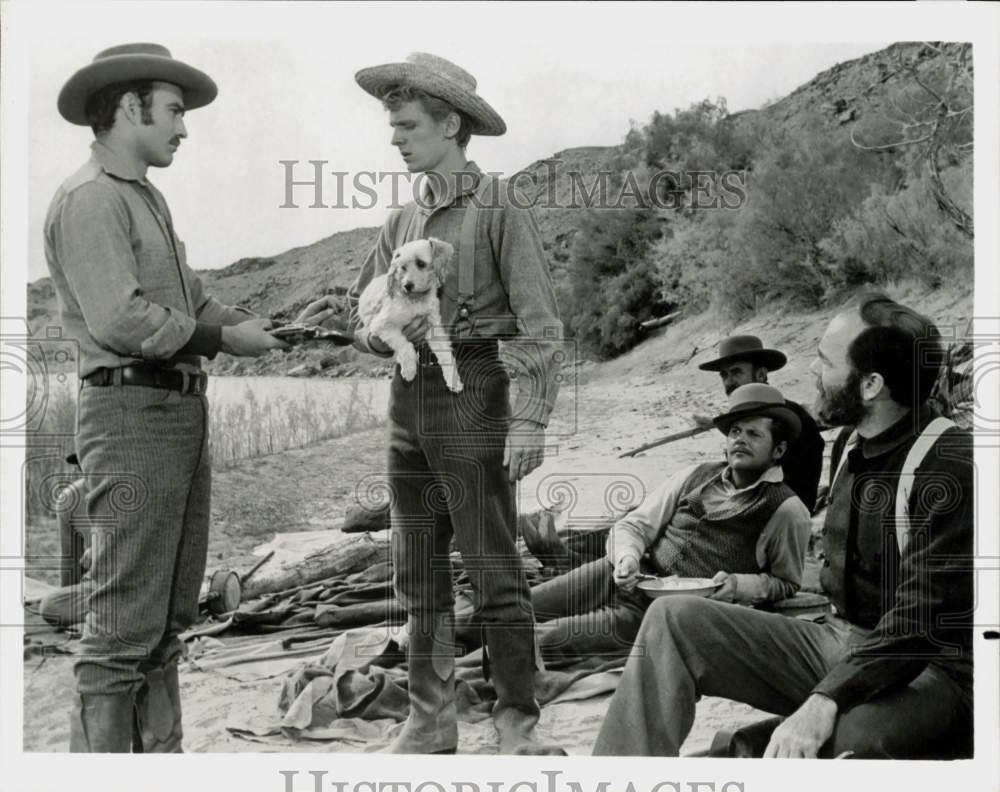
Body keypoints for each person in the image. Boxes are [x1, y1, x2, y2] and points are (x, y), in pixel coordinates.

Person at [45, 44, 326, 752]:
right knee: (119, 629)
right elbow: (121, 319)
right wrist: (224, 341)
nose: (183, 128)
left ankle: (160, 763)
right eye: (172, 111)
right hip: (130, 416)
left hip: (173, 415)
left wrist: (251, 325)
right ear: (129, 108)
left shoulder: (144, 197)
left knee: (168, 618)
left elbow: (191, 298)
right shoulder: (89, 201)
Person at [593, 293, 973, 759]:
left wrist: (824, 700)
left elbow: (920, 622)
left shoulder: (951, 466)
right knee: (674, 620)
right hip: (840, 640)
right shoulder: (851, 445)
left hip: (932, 668)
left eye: (824, 361)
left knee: (854, 740)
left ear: (870, 384)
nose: (813, 372)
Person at [346, 53, 564, 755]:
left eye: (407, 125)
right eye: (393, 125)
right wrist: (381, 341)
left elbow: (541, 325)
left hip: (475, 395)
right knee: (416, 568)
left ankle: (516, 721)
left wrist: (530, 419)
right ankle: (429, 718)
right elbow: (362, 314)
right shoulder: (400, 221)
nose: (395, 139)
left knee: (494, 566)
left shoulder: (499, 206)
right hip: (406, 403)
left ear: (450, 123)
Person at [532, 384, 811, 664]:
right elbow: (634, 526)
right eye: (735, 432)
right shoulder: (695, 475)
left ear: (778, 450)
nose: (740, 440)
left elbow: (786, 582)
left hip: (662, 614)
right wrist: (627, 557)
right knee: (522, 607)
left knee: (545, 640)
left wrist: (739, 585)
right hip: (621, 576)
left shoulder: (786, 509)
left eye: (754, 434)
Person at [695, 335, 824, 511]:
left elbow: (797, 490)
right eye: (724, 375)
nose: (729, 382)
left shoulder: (791, 420)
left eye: (736, 372)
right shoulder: (746, 418)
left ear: (761, 374)